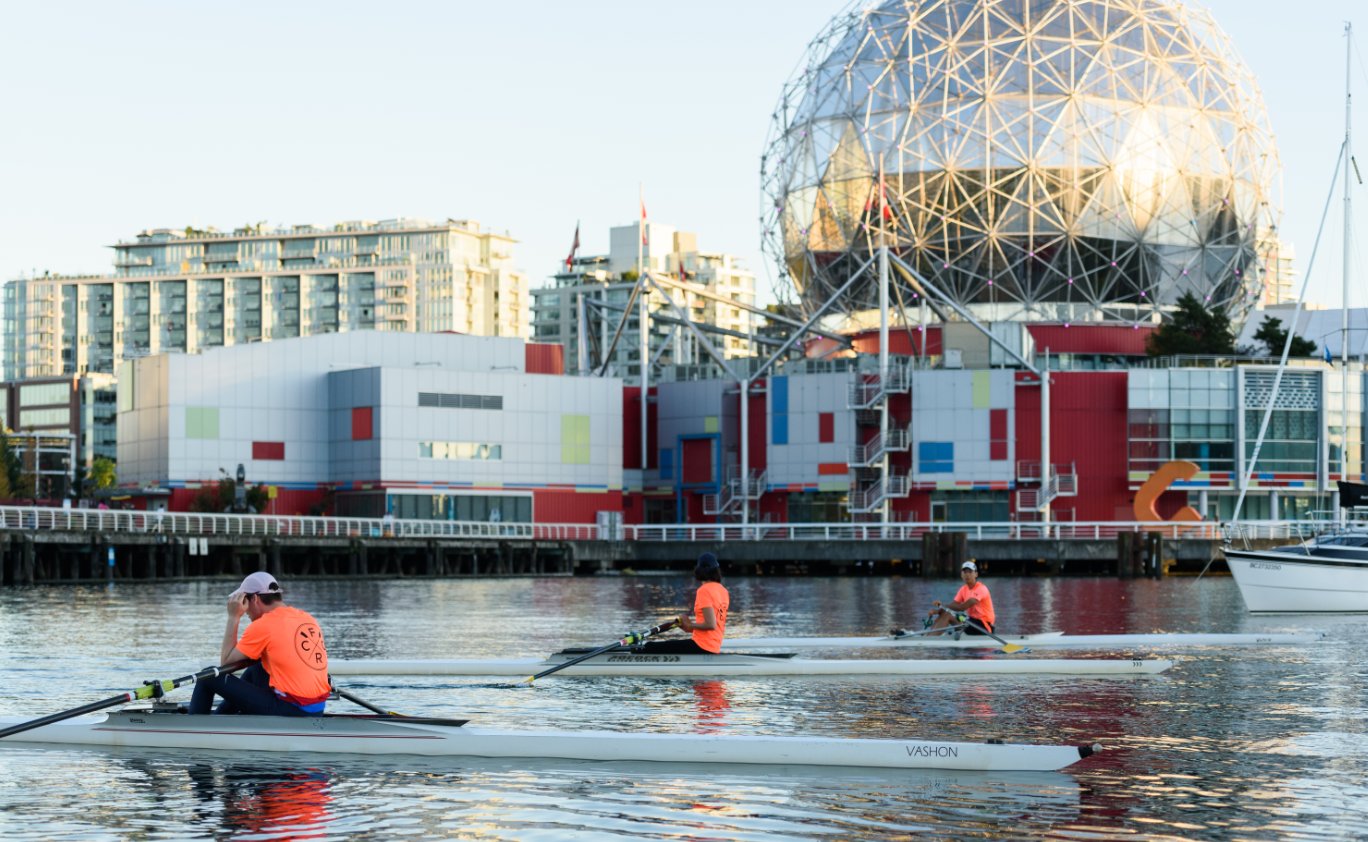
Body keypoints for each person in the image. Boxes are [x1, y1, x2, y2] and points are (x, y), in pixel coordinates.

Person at [189, 572, 331, 717]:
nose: (245, 611)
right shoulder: (307, 618)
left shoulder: (265, 625)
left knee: (207, 676)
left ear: (255, 599)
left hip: (292, 710)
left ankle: (194, 728)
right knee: (256, 668)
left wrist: (233, 617)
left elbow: (225, 663)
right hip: (317, 708)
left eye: (244, 602)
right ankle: (221, 718)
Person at [637, 553, 730, 654]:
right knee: (669, 644)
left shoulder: (704, 590)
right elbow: (715, 625)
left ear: (698, 570)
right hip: (714, 647)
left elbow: (711, 625)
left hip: (702, 646)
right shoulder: (723, 591)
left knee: (650, 647)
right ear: (717, 571)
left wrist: (690, 625)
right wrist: (688, 627)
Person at [926, 560, 995, 635]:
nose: (967, 575)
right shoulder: (963, 589)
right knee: (946, 612)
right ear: (962, 575)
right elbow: (952, 606)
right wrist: (937, 611)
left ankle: (931, 638)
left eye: (970, 572)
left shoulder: (981, 589)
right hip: (971, 622)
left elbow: (962, 607)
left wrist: (942, 605)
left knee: (949, 614)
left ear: (976, 574)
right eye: (965, 572)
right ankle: (929, 636)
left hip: (984, 626)